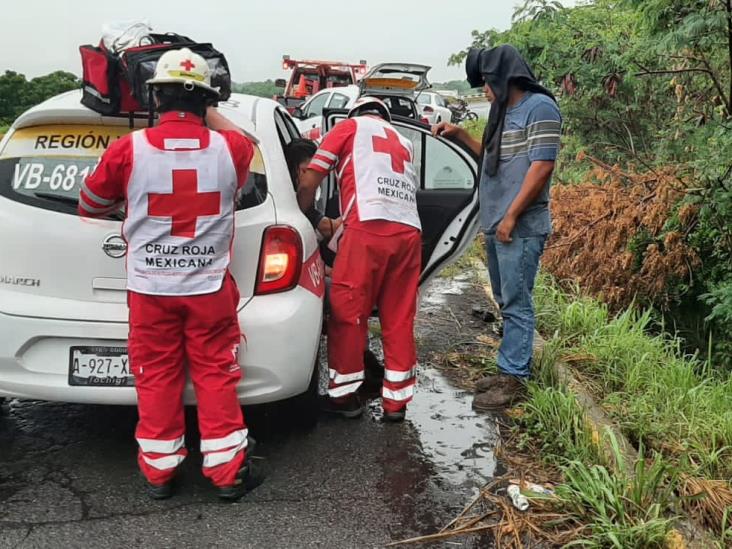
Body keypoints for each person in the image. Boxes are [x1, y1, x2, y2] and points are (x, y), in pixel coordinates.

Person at [78, 47, 260, 501]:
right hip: (209, 287)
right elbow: (248, 146)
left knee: (155, 374)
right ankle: (226, 474)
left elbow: (90, 204)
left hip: (149, 289)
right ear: (205, 101)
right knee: (216, 374)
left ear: (154, 99)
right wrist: (210, 110)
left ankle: (160, 472)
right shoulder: (231, 148)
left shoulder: (127, 149)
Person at [433, 45, 562, 411]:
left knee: (518, 302)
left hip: (520, 226)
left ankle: (515, 379)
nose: (484, 91)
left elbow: (541, 168)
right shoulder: (502, 110)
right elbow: (492, 157)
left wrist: (510, 217)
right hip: (498, 223)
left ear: (505, 78)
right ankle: (509, 369)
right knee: (506, 300)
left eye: (487, 83)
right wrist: (460, 135)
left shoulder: (540, 108)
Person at [296, 97, 422, 422]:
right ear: (385, 117)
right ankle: (397, 404)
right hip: (409, 233)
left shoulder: (348, 127)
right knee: (398, 317)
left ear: (355, 114)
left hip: (367, 227)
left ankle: (345, 397)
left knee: (348, 311)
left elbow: (310, 179)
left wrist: (304, 212)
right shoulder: (404, 142)